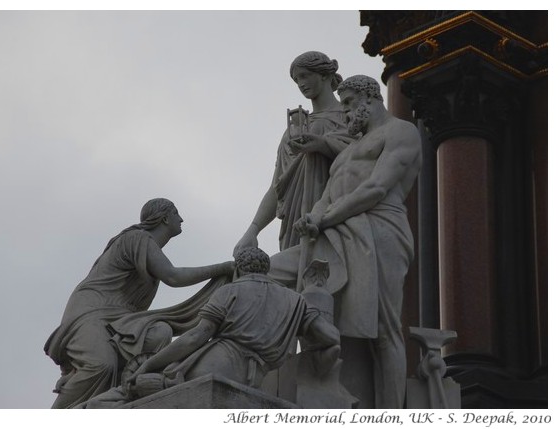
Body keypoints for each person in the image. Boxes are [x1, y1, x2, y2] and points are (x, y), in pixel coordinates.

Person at [268, 75, 422, 408]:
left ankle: (392, 413)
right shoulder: (347, 150)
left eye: (350, 103)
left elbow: (376, 189)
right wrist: (313, 216)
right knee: (267, 273)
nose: (347, 113)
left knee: (385, 330)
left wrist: (324, 216)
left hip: (380, 230)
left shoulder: (401, 132)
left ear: (370, 98)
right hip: (332, 231)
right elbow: (327, 195)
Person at [44, 198, 235, 408]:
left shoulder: (148, 249)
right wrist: (223, 268)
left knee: (159, 332)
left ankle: (132, 397)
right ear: (164, 218)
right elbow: (173, 277)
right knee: (101, 365)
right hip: (92, 311)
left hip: (120, 319)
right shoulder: (137, 238)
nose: (181, 219)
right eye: (176, 213)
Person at [124, 247, 341, 396]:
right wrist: (322, 364)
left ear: (237, 270)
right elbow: (331, 338)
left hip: (212, 368)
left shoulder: (229, 291)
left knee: (136, 391)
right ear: (266, 270)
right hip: (255, 379)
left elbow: (194, 337)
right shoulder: (296, 301)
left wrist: (148, 364)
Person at [234, 51, 350, 253]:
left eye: (305, 76)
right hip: (294, 223)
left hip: (334, 215)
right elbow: (277, 188)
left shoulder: (349, 116)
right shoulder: (293, 130)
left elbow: (364, 158)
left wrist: (322, 145)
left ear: (324, 74)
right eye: (296, 80)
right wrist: (253, 230)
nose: (301, 84)